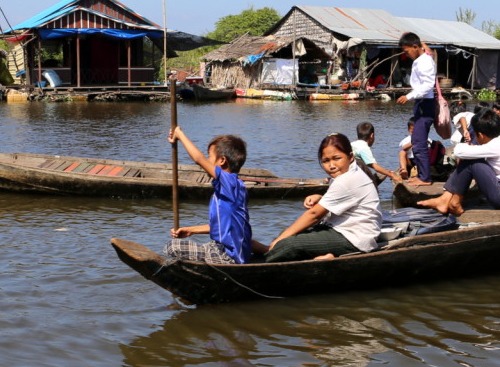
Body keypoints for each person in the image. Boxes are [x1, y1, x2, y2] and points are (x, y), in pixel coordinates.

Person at [264, 133, 382, 262]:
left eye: (337, 158)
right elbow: (344, 200)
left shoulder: (347, 180)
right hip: (339, 229)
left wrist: (280, 240)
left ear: (350, 157)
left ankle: (267, 258)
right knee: (285, 235)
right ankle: (271, 251)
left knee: (287, 245)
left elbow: (314, 215)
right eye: (326, 161)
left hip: (354, 238)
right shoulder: (346, 174)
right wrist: (320, 198)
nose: (331, 165)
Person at [163, 126, 256, 264]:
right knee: (176, 247)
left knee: (172, 247)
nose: (207, 161)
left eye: (210, 157)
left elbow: (199, 159)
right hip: (221, 248)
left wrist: (180, 135)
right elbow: (222, 226)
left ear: (222, 160)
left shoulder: (229, 182)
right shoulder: (233, 188)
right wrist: (190, 230)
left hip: (228, 256)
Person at [417, 107, 500, 216]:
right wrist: (472, 148)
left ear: (480, 135)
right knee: (472, 158)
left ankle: (452, 201)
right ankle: (447, 200)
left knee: (472, 162)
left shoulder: (495, 145)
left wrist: (468, 146)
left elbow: (458, 152)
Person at [395, 32, 436, 186]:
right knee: (417, 141)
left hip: (425, 103)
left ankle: (425, 178)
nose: (406, 55)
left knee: (419, 142)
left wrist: (409, 96)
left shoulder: (425, 62)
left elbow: (428, 85)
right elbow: (426, 49)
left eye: (407, 51)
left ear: (415, 46)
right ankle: (421, 175)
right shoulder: (422, 58)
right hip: (421, 102)